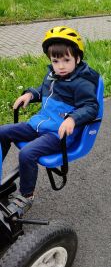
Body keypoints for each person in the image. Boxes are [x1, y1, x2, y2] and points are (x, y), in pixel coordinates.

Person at [0, 26, 100, 216]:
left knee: (27, 154)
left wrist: (72, 119)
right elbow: (43, 90)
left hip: (58, 133)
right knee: (2, 132)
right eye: (55, 60)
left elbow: (90, 107)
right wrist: (30, 94)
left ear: (77, 59)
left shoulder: (82, 82)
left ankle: (25, 197)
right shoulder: (52, 75)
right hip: (39, 124)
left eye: (66, 60)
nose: (61, 66)